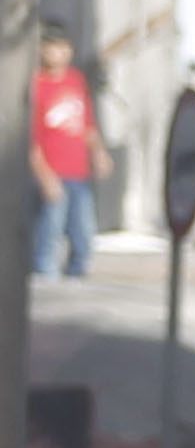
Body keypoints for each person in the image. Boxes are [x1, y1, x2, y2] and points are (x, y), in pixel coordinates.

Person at [30, 26, 105, 278]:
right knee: (50, 226)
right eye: (50, 46)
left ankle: (78, 271)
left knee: (83, 227)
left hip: (78, 171)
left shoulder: (75, 81)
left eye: (61, 47)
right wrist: (45, 176)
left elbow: (87, 124)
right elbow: (31, 140)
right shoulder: (36, 86)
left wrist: (99, 153)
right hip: (52, 169)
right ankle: (45, 272)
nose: (56, 53)